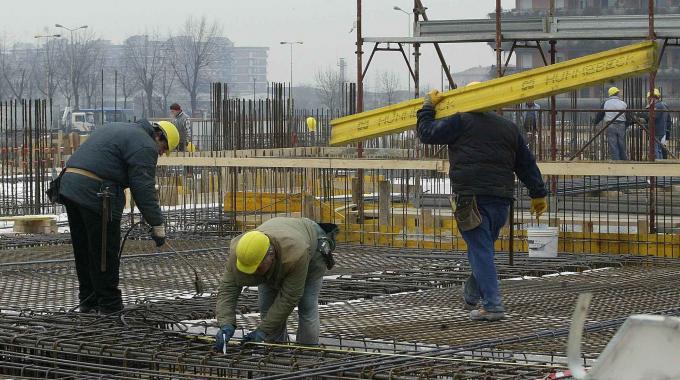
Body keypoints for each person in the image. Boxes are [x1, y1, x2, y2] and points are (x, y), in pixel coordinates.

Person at [416, 87, 548, 321]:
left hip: (471, 198)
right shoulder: (509, 128)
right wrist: (538, 193)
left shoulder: (461, 121)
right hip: (501, 200)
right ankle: (472, 294)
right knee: (483, 248)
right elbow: (526, 163)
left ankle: (493, 305)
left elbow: (427, 133)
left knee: (480, 251)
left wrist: (428, 107)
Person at [58, 120, 180, 314]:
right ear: (159, 136)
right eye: (164, 148)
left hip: (69, 186)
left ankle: (88, 300)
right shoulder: (145, 144)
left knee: (85, 248)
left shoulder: (118, 128)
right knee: (105, 250)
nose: (162, 153)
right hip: (96, 193)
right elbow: (143, 189)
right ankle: (109, 304)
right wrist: (157, 224)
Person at [214, 217, 337, 350]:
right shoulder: (242, 254)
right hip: (280, 248)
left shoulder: (296, 253)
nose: (253, 272)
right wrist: (226, 324)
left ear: (270, 255)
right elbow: (227, 290)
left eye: (257, 268)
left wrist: (262, 330)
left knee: (307, 305)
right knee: (267, 306)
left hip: (313, 247)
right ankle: (277, 352)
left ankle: (307, 354)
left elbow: (289, 298)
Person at [593, 86, 629, 160]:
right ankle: (624, 160)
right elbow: (628, 116)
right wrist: (627, 125)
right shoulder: (623, 103)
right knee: (621, 143)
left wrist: (595, 122)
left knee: (613, 144)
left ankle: (616, 160)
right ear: (617, 93)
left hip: (610, 125)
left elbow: (600, 115)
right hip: (621, 125)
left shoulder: (605, 103)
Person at [639, 88, 672, 160]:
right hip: (660, 130)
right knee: (659, 148)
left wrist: (642, 115)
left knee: (654, 148)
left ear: (653, 97)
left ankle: (657, 161)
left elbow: (653, 116)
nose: (648, 99)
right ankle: (660, 161)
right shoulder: (661, 105)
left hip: (656, 130)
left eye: (649, 98)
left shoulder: (657, 106)